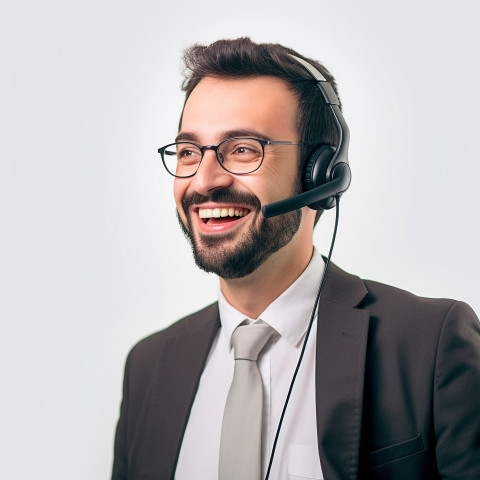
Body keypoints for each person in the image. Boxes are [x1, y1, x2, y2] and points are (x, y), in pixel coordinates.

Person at [111, 38, 480, 480]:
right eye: (189, 152)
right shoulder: (148, 368)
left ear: (320, 175)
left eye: (243, 149)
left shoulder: (431, 344)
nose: (203, 180)